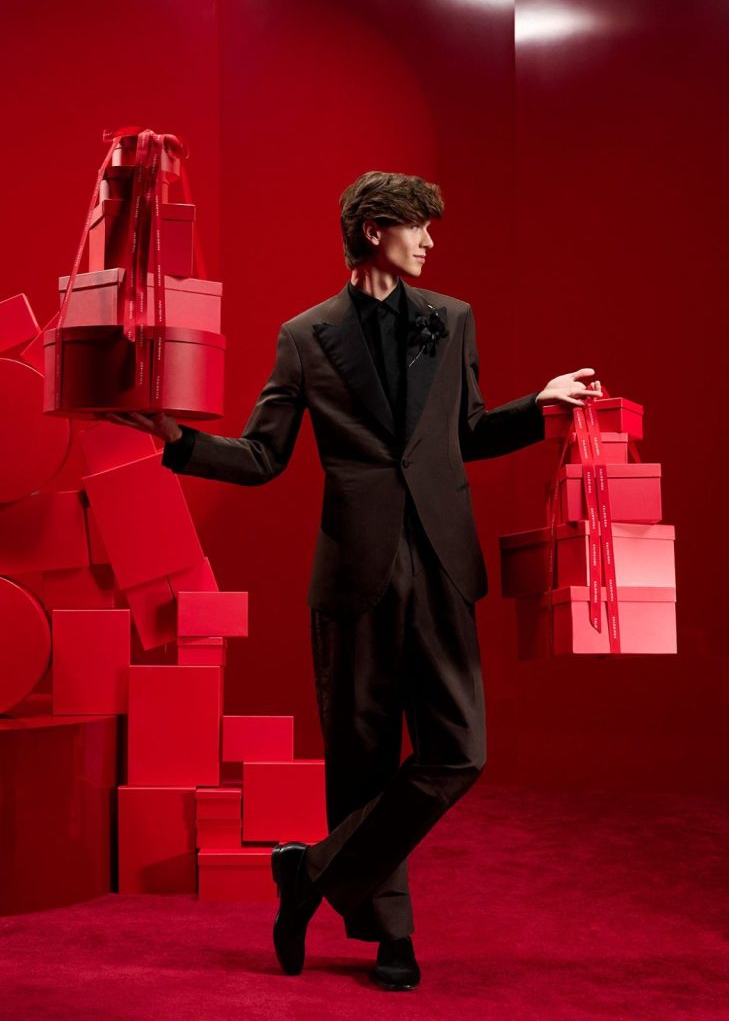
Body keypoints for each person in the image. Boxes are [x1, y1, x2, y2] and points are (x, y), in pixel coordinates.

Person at [108, 170, 602, 991]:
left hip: (441, 562)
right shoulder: (305, 337)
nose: (430, 241)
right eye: (418, 226)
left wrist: (537, 405)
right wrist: (175, 440)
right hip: (353, 574)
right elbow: (263, 456)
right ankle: (388, 935)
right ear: (375, 230)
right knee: (362, 760)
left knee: (457, 752)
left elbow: (464, 433)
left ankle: (309, 873)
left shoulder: (451, 319)